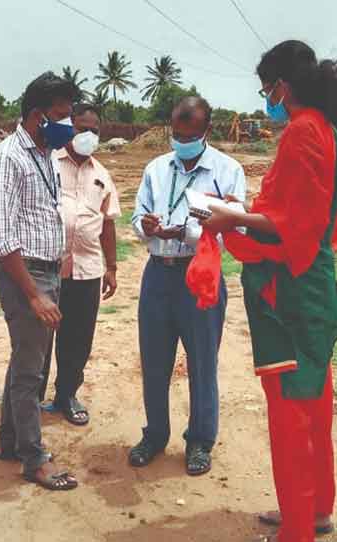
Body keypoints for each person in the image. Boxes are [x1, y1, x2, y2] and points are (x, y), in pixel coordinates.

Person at [199, 40, 337, 542]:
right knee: (314, 405)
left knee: (290, 414)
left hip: (290, 291)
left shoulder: (301, 133)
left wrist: (233, 218)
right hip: (314, 285)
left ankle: (297, 528)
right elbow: (314, 214)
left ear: (282, 86)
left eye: (266, 88)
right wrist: (245, 214)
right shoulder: (335, 134)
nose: (266, 97)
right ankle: (316, 511)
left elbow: (294, 224)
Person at [0, 103, 120, 427]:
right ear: (69, 128)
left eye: (94, 130)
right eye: (82, 128)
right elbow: (15, 212)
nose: (88, 135)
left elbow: (108, 224)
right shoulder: (46, 162)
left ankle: (67, 395)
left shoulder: (102, 175)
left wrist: (111, 267)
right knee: (38, 341)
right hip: (45, 267)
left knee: (78, 339)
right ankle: (30, 400)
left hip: (87, 270)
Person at [129, 96, 246, 476]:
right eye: (176, 134)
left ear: (206, 132)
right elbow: (137, 214)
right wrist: (144, 225)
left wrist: (189, 231)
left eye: (190, 135)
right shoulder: (156, 168)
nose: (182, 141)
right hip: (158, 274)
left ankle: (199, 441)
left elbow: (236, 227)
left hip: (200, 274)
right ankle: (155, 434)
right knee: (155, 360)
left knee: (201, 362)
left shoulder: (227, 171)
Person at [0, 72, 80, 490]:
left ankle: (10, 442)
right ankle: (35, 459)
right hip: (28, 275)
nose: (68, 124)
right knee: (31, 372)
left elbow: (28, 215)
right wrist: (34, 294)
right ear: (39, 117)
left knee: (26, 360)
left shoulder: (43, 154)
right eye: (62, 116)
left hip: (45, 269)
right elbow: (3, 236)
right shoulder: (7, 158)